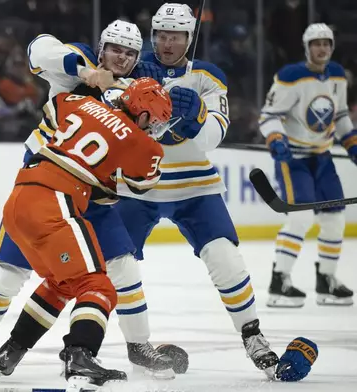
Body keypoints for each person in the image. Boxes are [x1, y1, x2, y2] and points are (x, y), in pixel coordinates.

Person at [0, 19, 177, 379]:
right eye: (114, 49)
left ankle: (138, 345)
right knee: (8, 272)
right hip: (55, 189)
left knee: (122, 266)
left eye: (129, 53)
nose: (120, 57)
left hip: (90, 197)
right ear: (101, 48)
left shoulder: (129, 90)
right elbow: (39, 48)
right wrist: (90, 73)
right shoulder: (77, 67)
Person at [112, 3, 279, 376]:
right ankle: (95, 344)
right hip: (138, 186)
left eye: (176, 36)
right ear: (153, 35)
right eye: (162, 35)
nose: (168, 43)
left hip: (195, 186)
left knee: (226, 259)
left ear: (190, 37)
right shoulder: (132, 67)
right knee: (112, 268)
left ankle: (252, 335)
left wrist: (196, 116)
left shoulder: (206, 76)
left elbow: (212, 138)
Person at [0, 77, 171, 389]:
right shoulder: (145, 143)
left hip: (19, 198)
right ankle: (81, 355)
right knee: (99, 286)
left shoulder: (81, 103)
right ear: (141, 115)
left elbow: (54, 107)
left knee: (61, 283)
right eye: (153, 123)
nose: (153, 130)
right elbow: (142, 182)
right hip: (55, 201)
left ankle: (12, 350)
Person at [259, 23, 356, 308]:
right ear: (307, 47)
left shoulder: (338, 75)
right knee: (301, 218)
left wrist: (351, 142)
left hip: (322, 158)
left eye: (327, 43)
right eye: (316, 43)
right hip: (294, 159)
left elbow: (339, 115)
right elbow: (268, 116)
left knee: (335, 219)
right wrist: (276, 139)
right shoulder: (291, 77)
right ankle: (279, 282)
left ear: (332, 47)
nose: (322, 48)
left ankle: (326, 280)